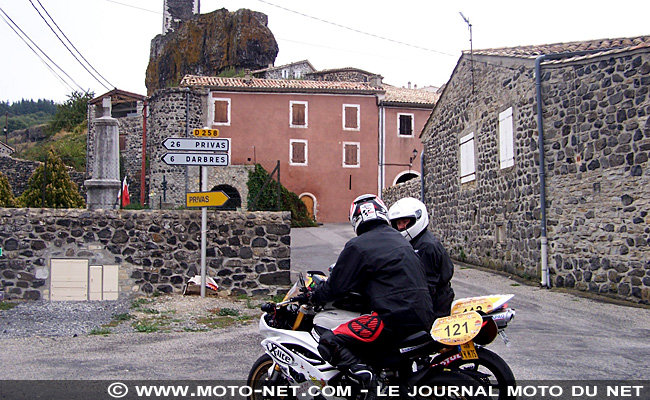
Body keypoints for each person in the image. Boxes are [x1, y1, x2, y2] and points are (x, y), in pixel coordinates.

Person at [300, 194, 434, 399]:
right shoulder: (400, 239)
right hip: (423, 315)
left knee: (329, 340)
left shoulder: (358, 245)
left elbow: (335, 287)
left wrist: (313, 297)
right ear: (383, 213)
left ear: (355, 219)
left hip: (392, 319)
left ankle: (368, 382)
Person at [387, 197, 455, 319]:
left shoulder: (426, 246)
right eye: (398, 223)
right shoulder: (416, 242)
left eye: (404, 221)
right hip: (432, 303)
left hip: (436, 307)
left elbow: (426, 286)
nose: (401, 227)